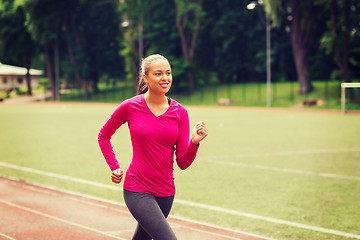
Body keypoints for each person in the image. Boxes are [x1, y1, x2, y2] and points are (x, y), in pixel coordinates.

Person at [98, 54, 208, 240]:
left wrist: (195, 142)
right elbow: (104, 136)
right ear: (145, 78)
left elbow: (182, 162)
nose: (165, 78)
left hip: (166, 192)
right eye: (158, 74)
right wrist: (114, 166)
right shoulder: (129, 107)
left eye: (168, 73)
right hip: (137, 188)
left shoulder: (180, 113)